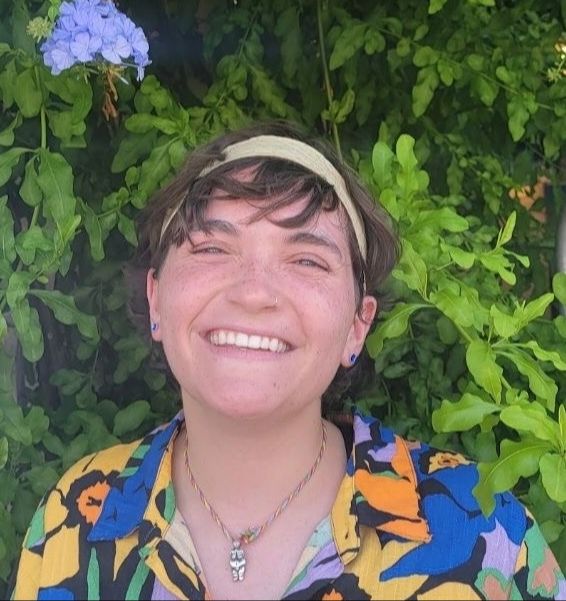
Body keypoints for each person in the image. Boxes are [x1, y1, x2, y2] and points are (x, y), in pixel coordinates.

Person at [12, 121, 565, 601]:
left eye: (306, 260)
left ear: (358, 324)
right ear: (157, 299)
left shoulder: (487, 533)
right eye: (212, 248)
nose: (254, 292)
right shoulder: (76, 515)